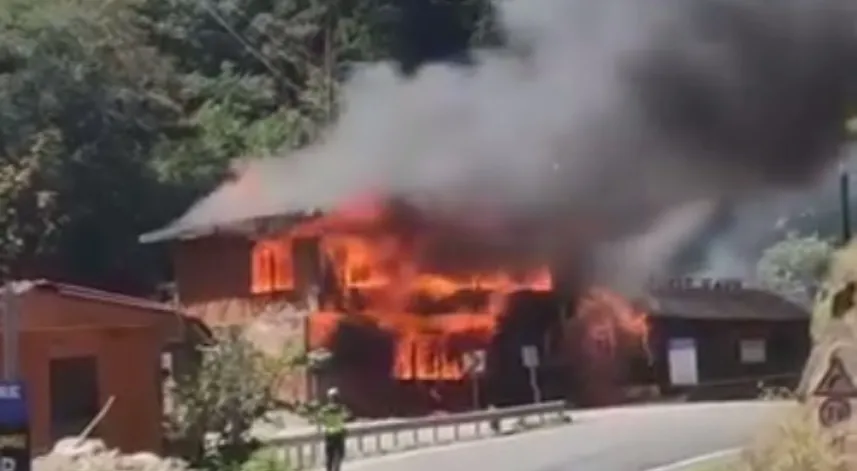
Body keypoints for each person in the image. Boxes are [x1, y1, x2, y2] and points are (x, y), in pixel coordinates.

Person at [317, 387, 350, 471]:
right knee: (340, 455)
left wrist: (321, 428)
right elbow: (347, 416)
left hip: (329, 435)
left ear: (329, 398)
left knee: (329, 456)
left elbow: (319, 419)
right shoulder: (341, 408)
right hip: (339, 434)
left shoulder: (325, 410)